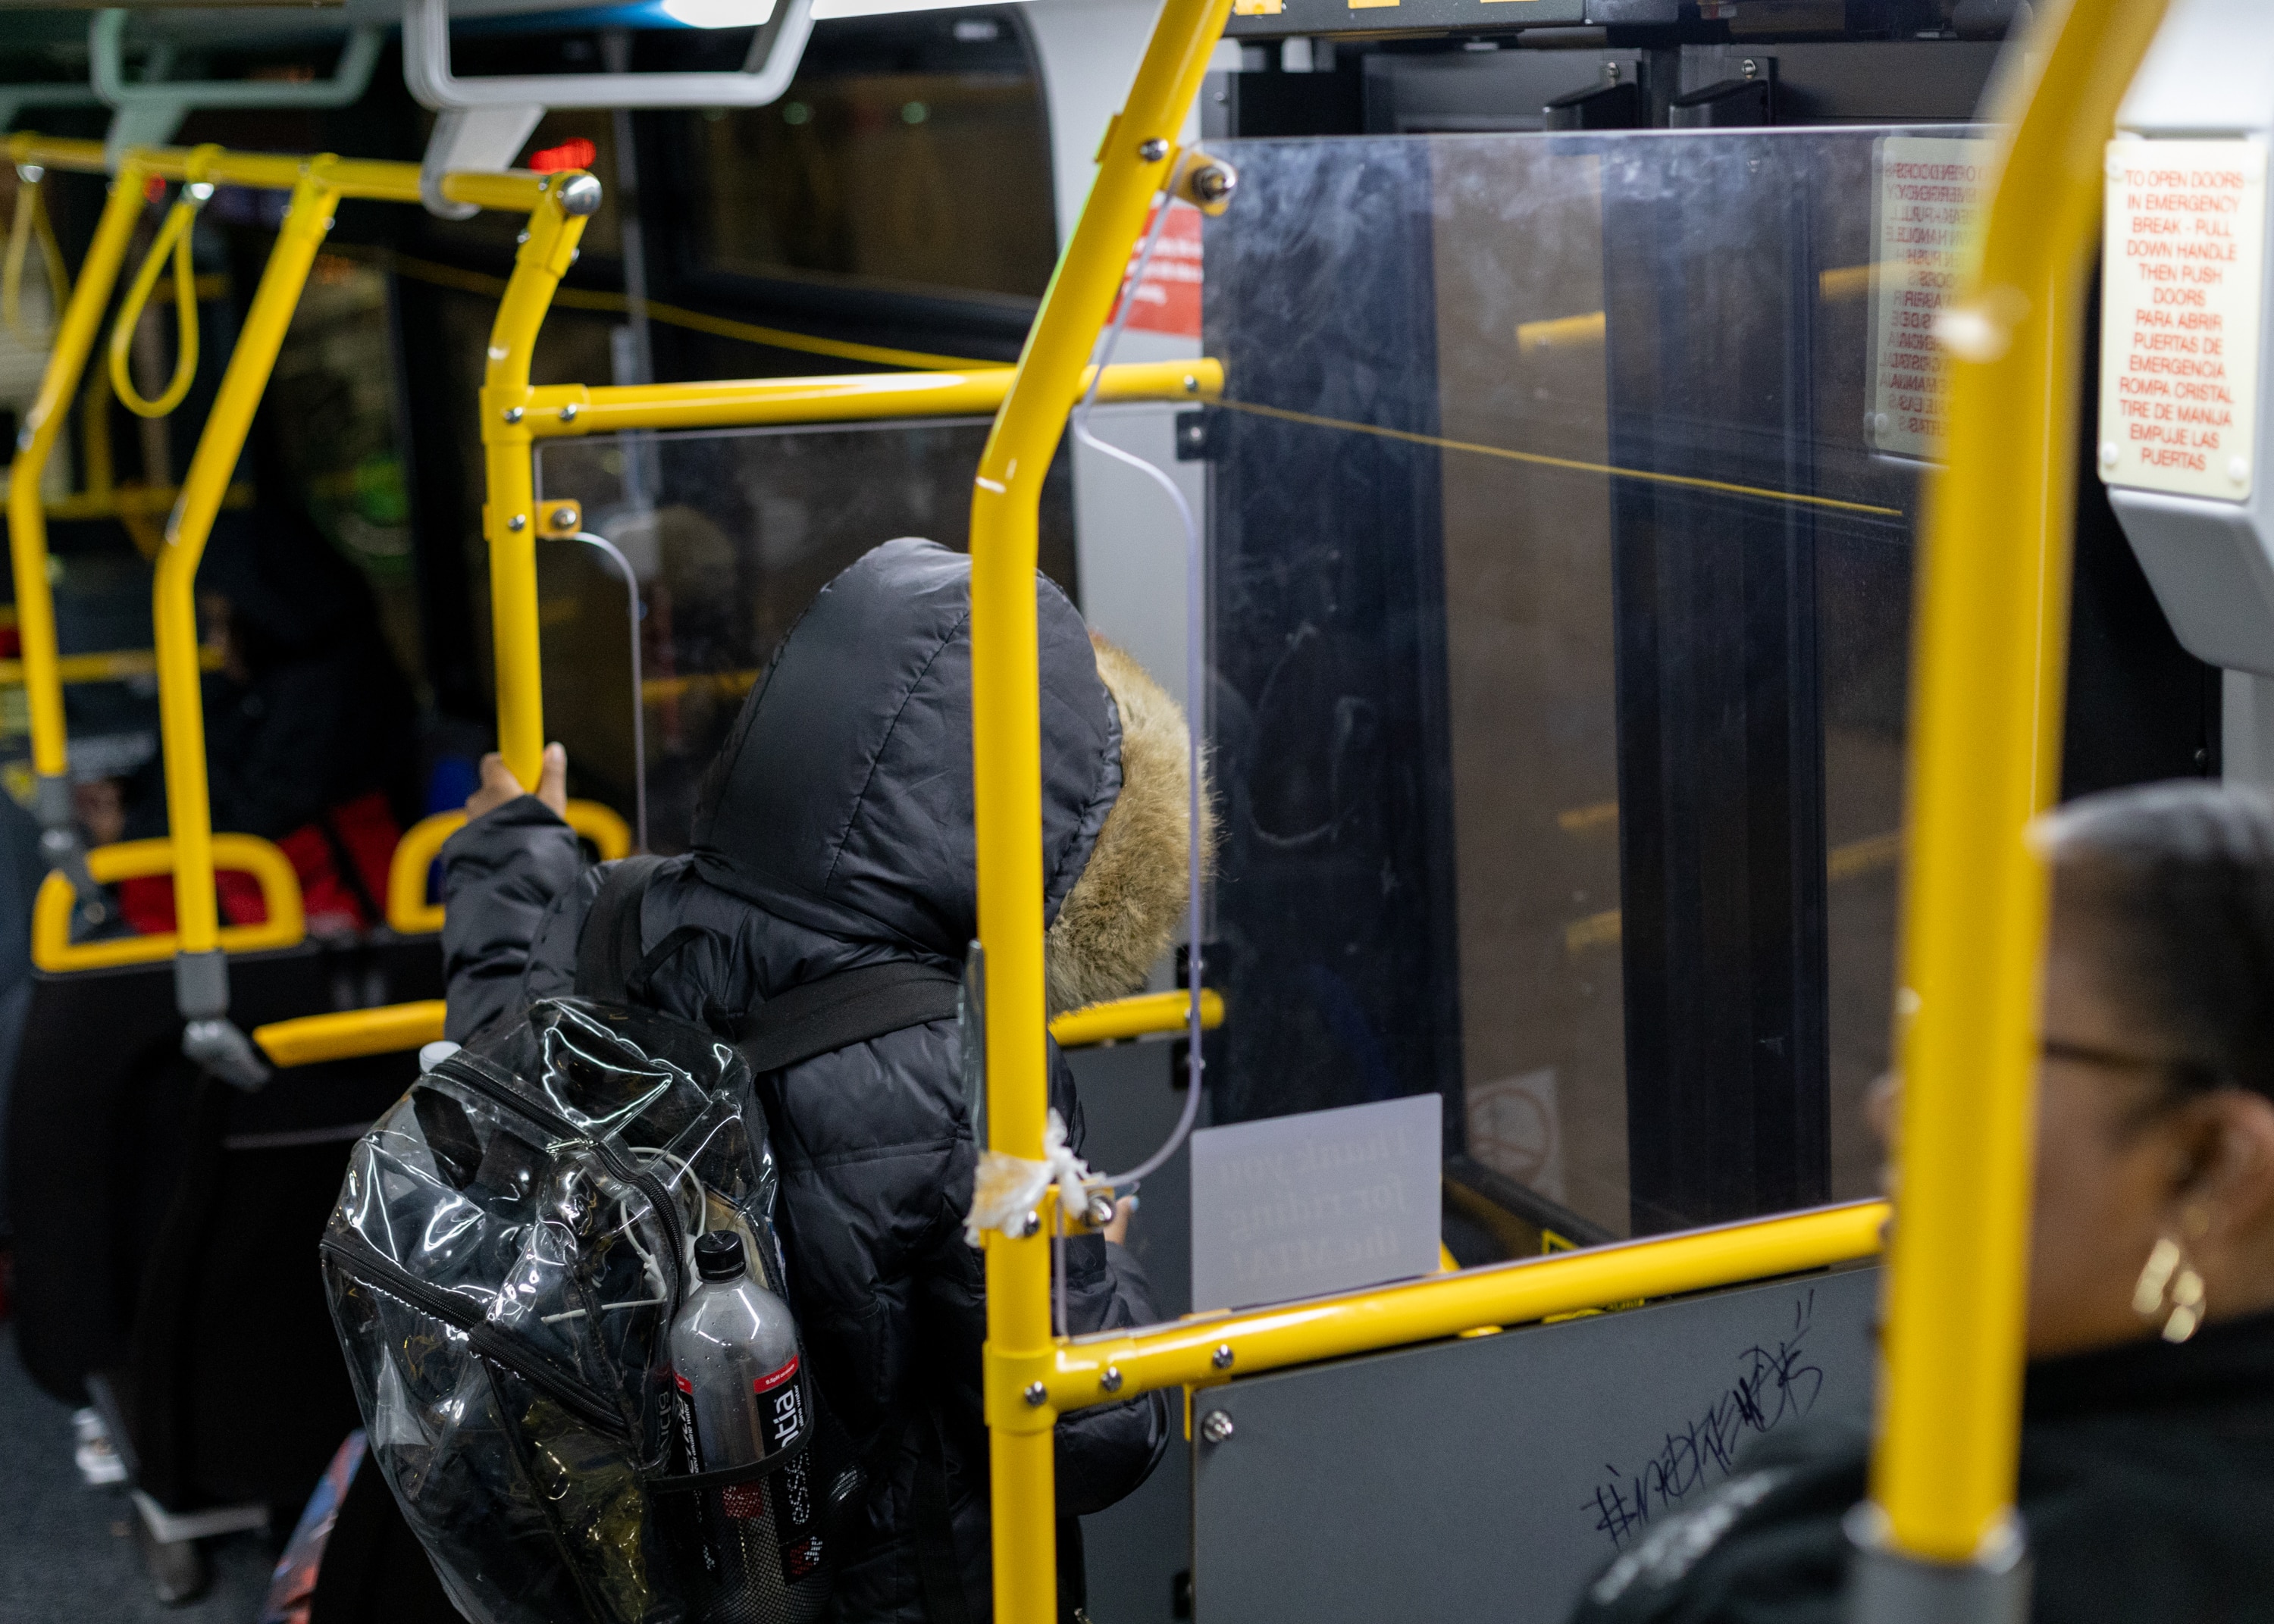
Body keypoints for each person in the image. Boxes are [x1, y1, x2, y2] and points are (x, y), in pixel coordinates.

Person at [440, 538, 1198, 1622]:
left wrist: (511, 858)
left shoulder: (612, 913)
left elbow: (502, 1084)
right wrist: (1108, 1269)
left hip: (630, 1567)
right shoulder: (972, 1070)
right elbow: (1090, 1437)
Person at [1573, 778, 2274, 1623]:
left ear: (2209, 1163)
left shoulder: (2109, 1564)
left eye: (1974, 1045)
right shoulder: (2010, 1432)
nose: (1890, 1102)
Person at [118, 505, 418, 937]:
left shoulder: (331, 693)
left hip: (330, 906)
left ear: (264, 614)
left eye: (223, 624)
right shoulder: (265, 681)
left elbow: (266, 811)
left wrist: (133, 827)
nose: (215, 644)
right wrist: (130, 797)